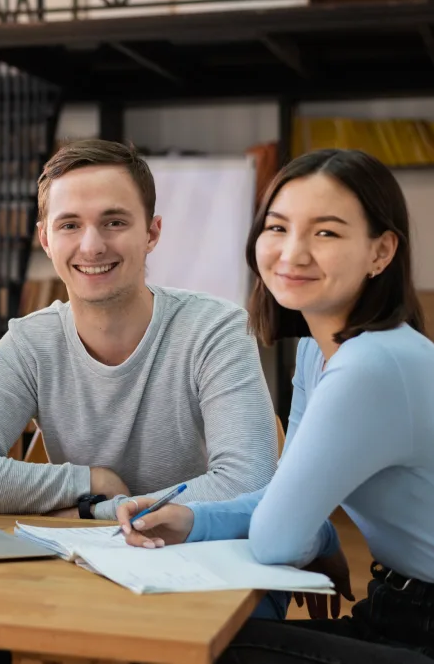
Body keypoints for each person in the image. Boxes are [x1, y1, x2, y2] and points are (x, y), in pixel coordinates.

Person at [115, 149, 434, 663]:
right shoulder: (317, 350)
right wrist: (190, 518)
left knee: (198, 646)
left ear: (381, 252)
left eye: (326, 233)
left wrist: (311, 531)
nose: (293, 253)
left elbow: (276, 538)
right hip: (397, 606)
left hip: (422, 623)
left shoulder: (371, 365)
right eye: (278, 227)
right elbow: (283, 497)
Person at [0, 138, 277, 523]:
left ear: (152, 233)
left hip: (200, 565)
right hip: (82, 570)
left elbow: (248, 483)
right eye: (70, 225)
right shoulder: (29, 344)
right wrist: (88, 479)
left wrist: (94, 510)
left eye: (114, 222)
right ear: (46, 239)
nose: (91, 247)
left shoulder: (215, 330)